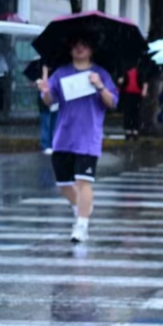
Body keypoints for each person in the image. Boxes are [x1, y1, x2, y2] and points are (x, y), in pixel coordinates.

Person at [35, 35, 119, 243]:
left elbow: (112, 103)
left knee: (83, 182)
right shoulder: (61, 73)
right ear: (70, 49)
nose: (80, 49)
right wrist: (45, 90)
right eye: (76, 45)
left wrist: (99, 86)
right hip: (63, 136)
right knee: (64, 184)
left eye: (84, 45)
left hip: (89, 138)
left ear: (91, 50)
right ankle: (82, 208)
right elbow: (49, 101)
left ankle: (81, 225)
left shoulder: (100, 73)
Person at [117, 64, 148, 140]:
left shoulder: (138, 72)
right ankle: (131, 130)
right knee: (131, 113)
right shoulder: (128, 71)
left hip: (135, 94)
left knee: (133, 113)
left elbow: (144, 81)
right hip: (130, 94)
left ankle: (133, 130)